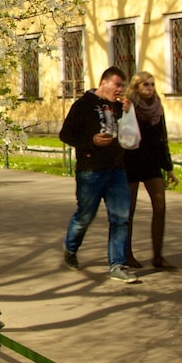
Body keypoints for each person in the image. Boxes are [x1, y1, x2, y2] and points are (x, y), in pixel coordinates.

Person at [59, 66, 138, 283]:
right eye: (117, 85)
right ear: (104, 83)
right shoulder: (83, 105)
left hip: (117, 170)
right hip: (90, 171)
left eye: (123, 86)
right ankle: (71, 248)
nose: (120, 89)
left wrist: (129, 111)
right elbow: (65, 135)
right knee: (85, 216)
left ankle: (117, 265)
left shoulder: (120, 106)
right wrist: (91, 141)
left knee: (121, 218)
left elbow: (129, 134)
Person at [123, 71, 179, 269]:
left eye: (152, 84)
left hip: (152, 162)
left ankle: (158, 256)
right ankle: (126, 254)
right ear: (136, 87)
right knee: (128, 210)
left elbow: (162, 138)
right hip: (131, 160)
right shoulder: (128, 105)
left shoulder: (157, 107)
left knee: (160, 206)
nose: (150, 88)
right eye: (146, 84)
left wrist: (169, 168)